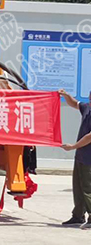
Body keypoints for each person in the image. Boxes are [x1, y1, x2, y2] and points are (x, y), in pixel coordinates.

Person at [59, 89, 91, 229]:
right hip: (81, 156)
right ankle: (78, 215)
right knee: (78, 188)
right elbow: (74, 103)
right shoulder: (87, 108)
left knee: (87, 188)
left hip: (88, 158)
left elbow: (89, 137)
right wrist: (66, 95)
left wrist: (73, 146)